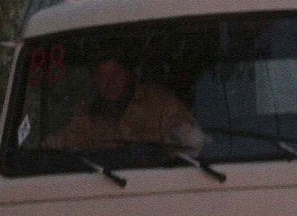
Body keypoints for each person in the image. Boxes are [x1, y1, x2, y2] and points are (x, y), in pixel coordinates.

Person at [48, 57, 206, 154]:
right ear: (95, 81)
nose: (110, 83)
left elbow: (191, 142)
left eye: (116, 73)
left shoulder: (159, 102)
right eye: (102, 76)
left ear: (129, 75)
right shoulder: (89, 116)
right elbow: (61, 146)